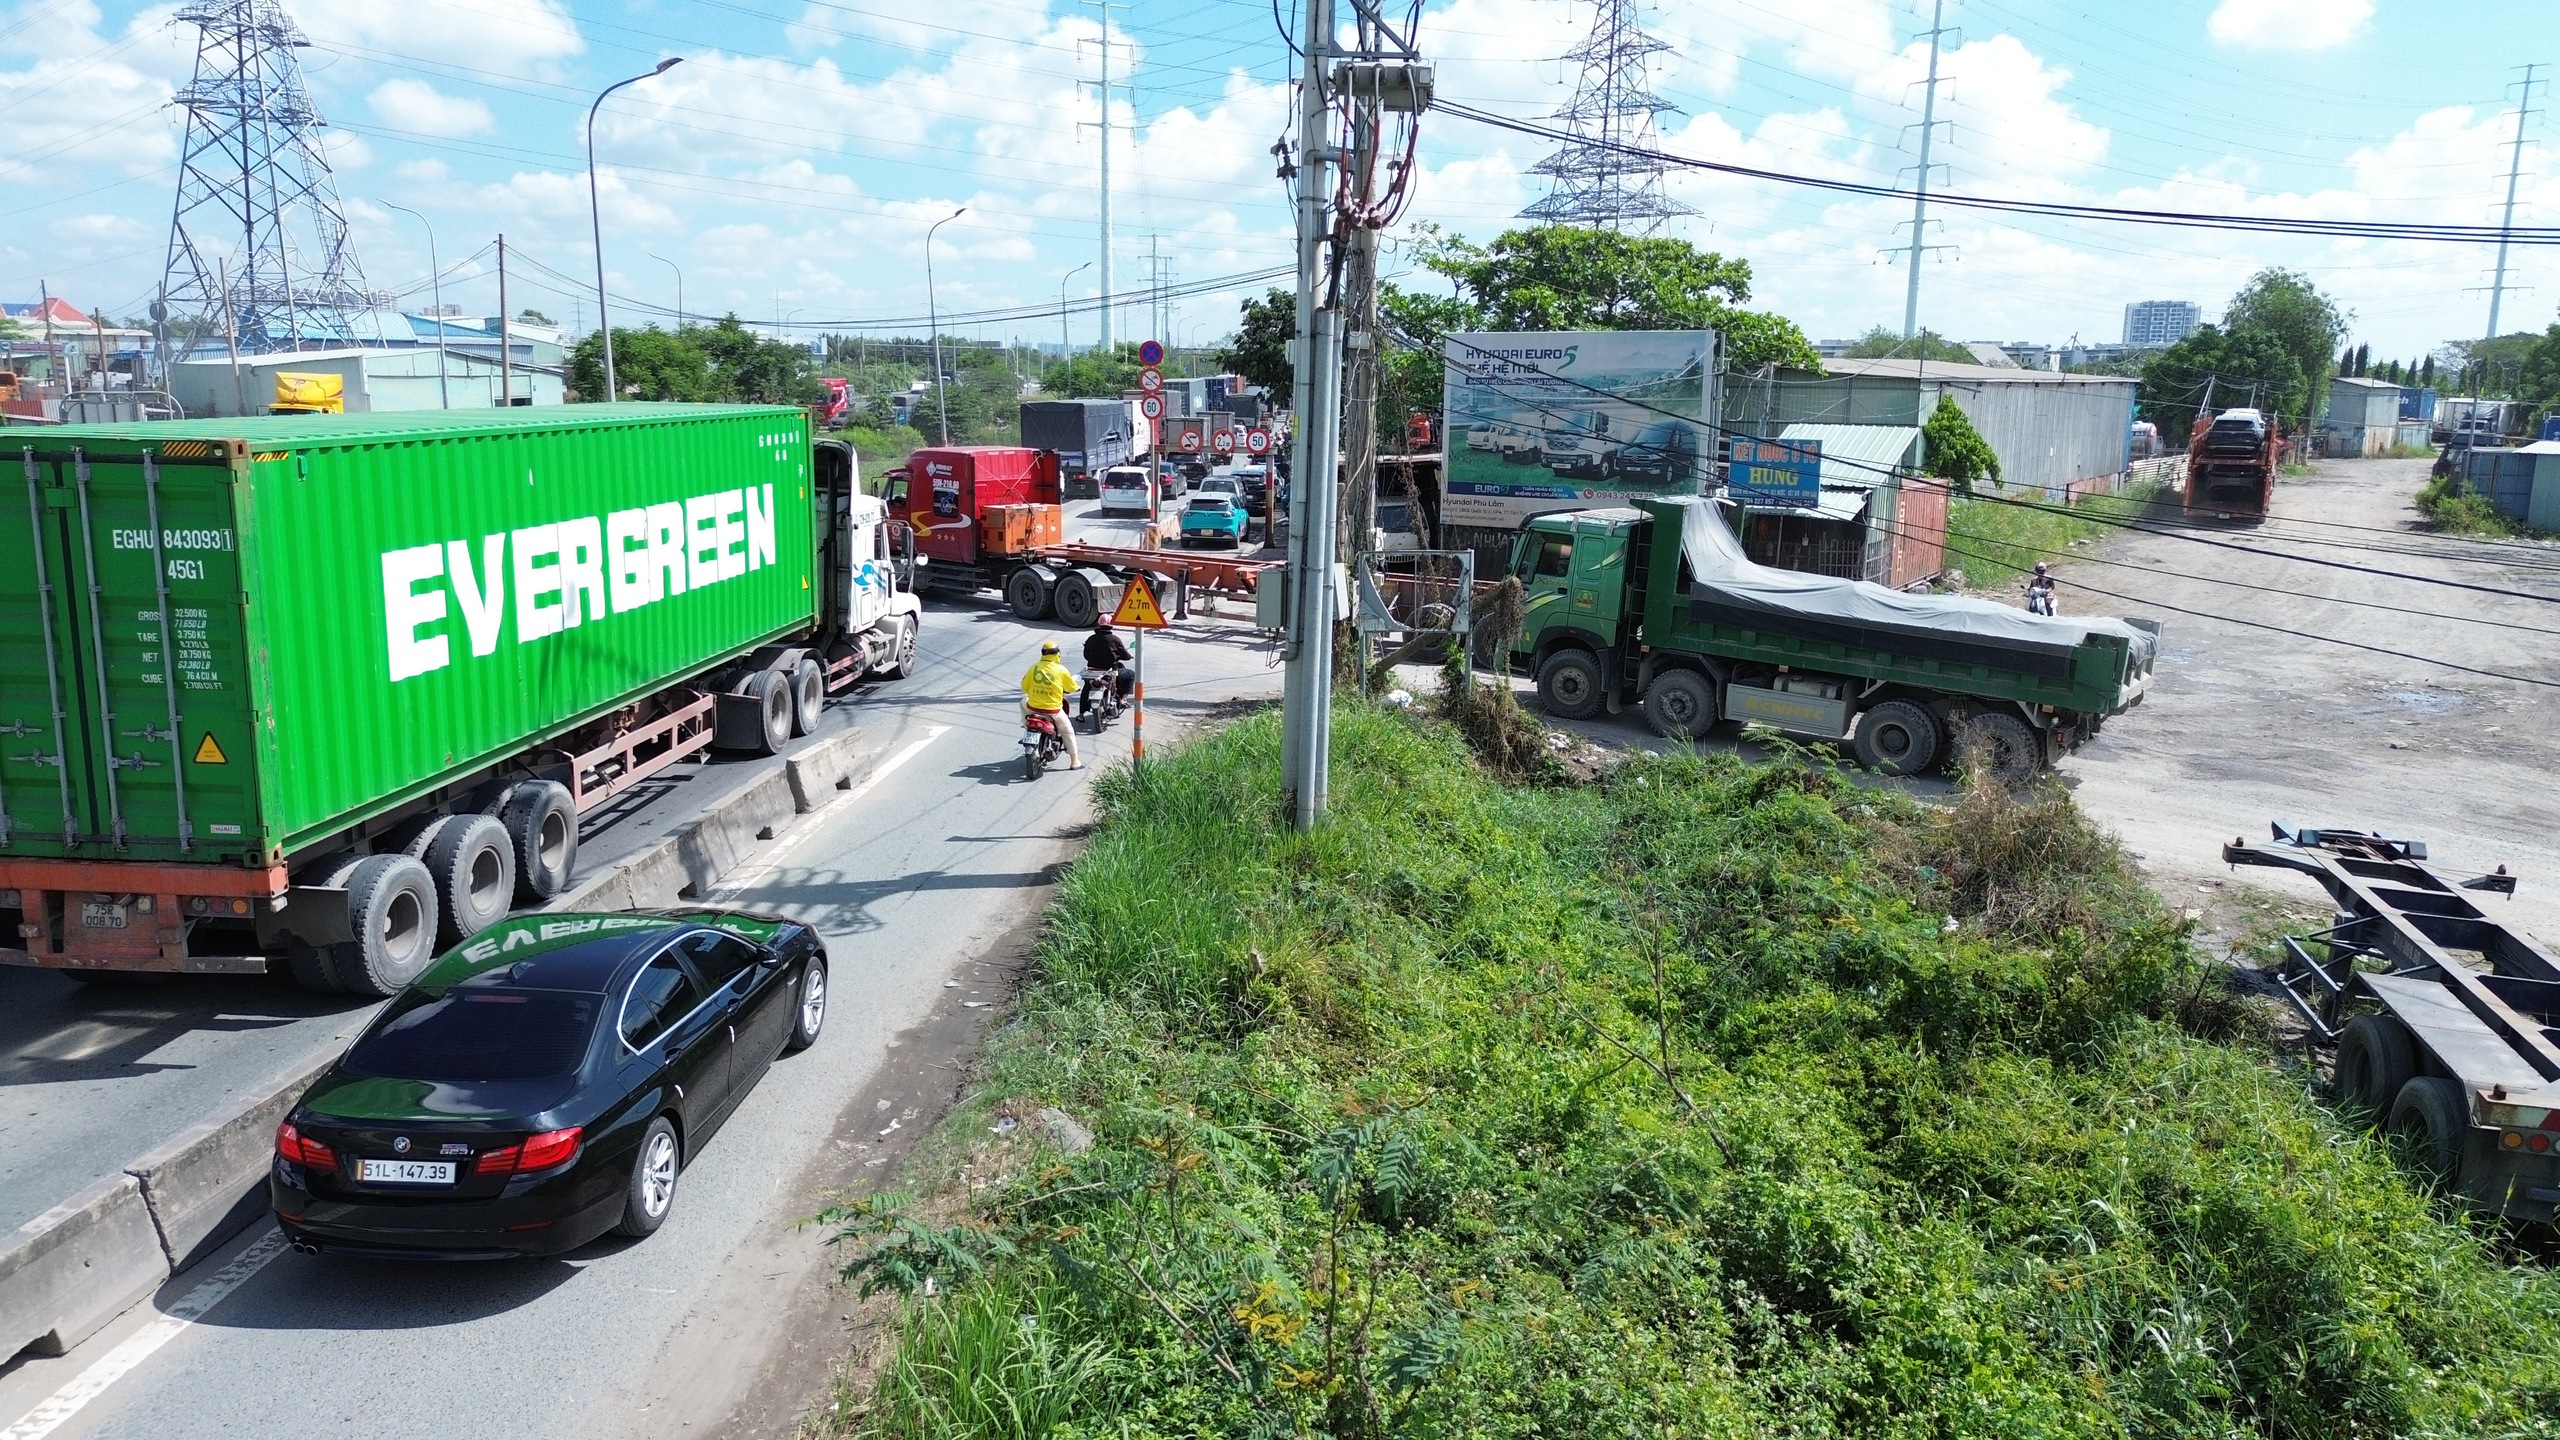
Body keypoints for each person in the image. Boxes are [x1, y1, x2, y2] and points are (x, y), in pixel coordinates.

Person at [1020, 640, 1081, 769]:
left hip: (1033, 708)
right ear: (1057, 654)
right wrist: (1076, 688)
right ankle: (1075, 761)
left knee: (1023, 701)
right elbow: (1071, 687)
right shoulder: (1061, 670)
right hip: (1053, 711)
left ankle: (1026, 725)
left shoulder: (1034, 667)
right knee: (1068, 731)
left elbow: (1025, 687)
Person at [1080, 618, 1134, 719]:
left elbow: (1086, 655)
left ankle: (1081, 714)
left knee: (1087, 687)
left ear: (1099, 625)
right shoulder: (1115, 639)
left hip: (1093, 671)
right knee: (1130, 674)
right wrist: (1129, 656)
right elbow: (1125, 655)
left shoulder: (1091, 639)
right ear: (1111, 626)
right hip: (1110, 671)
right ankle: (1123, 699)